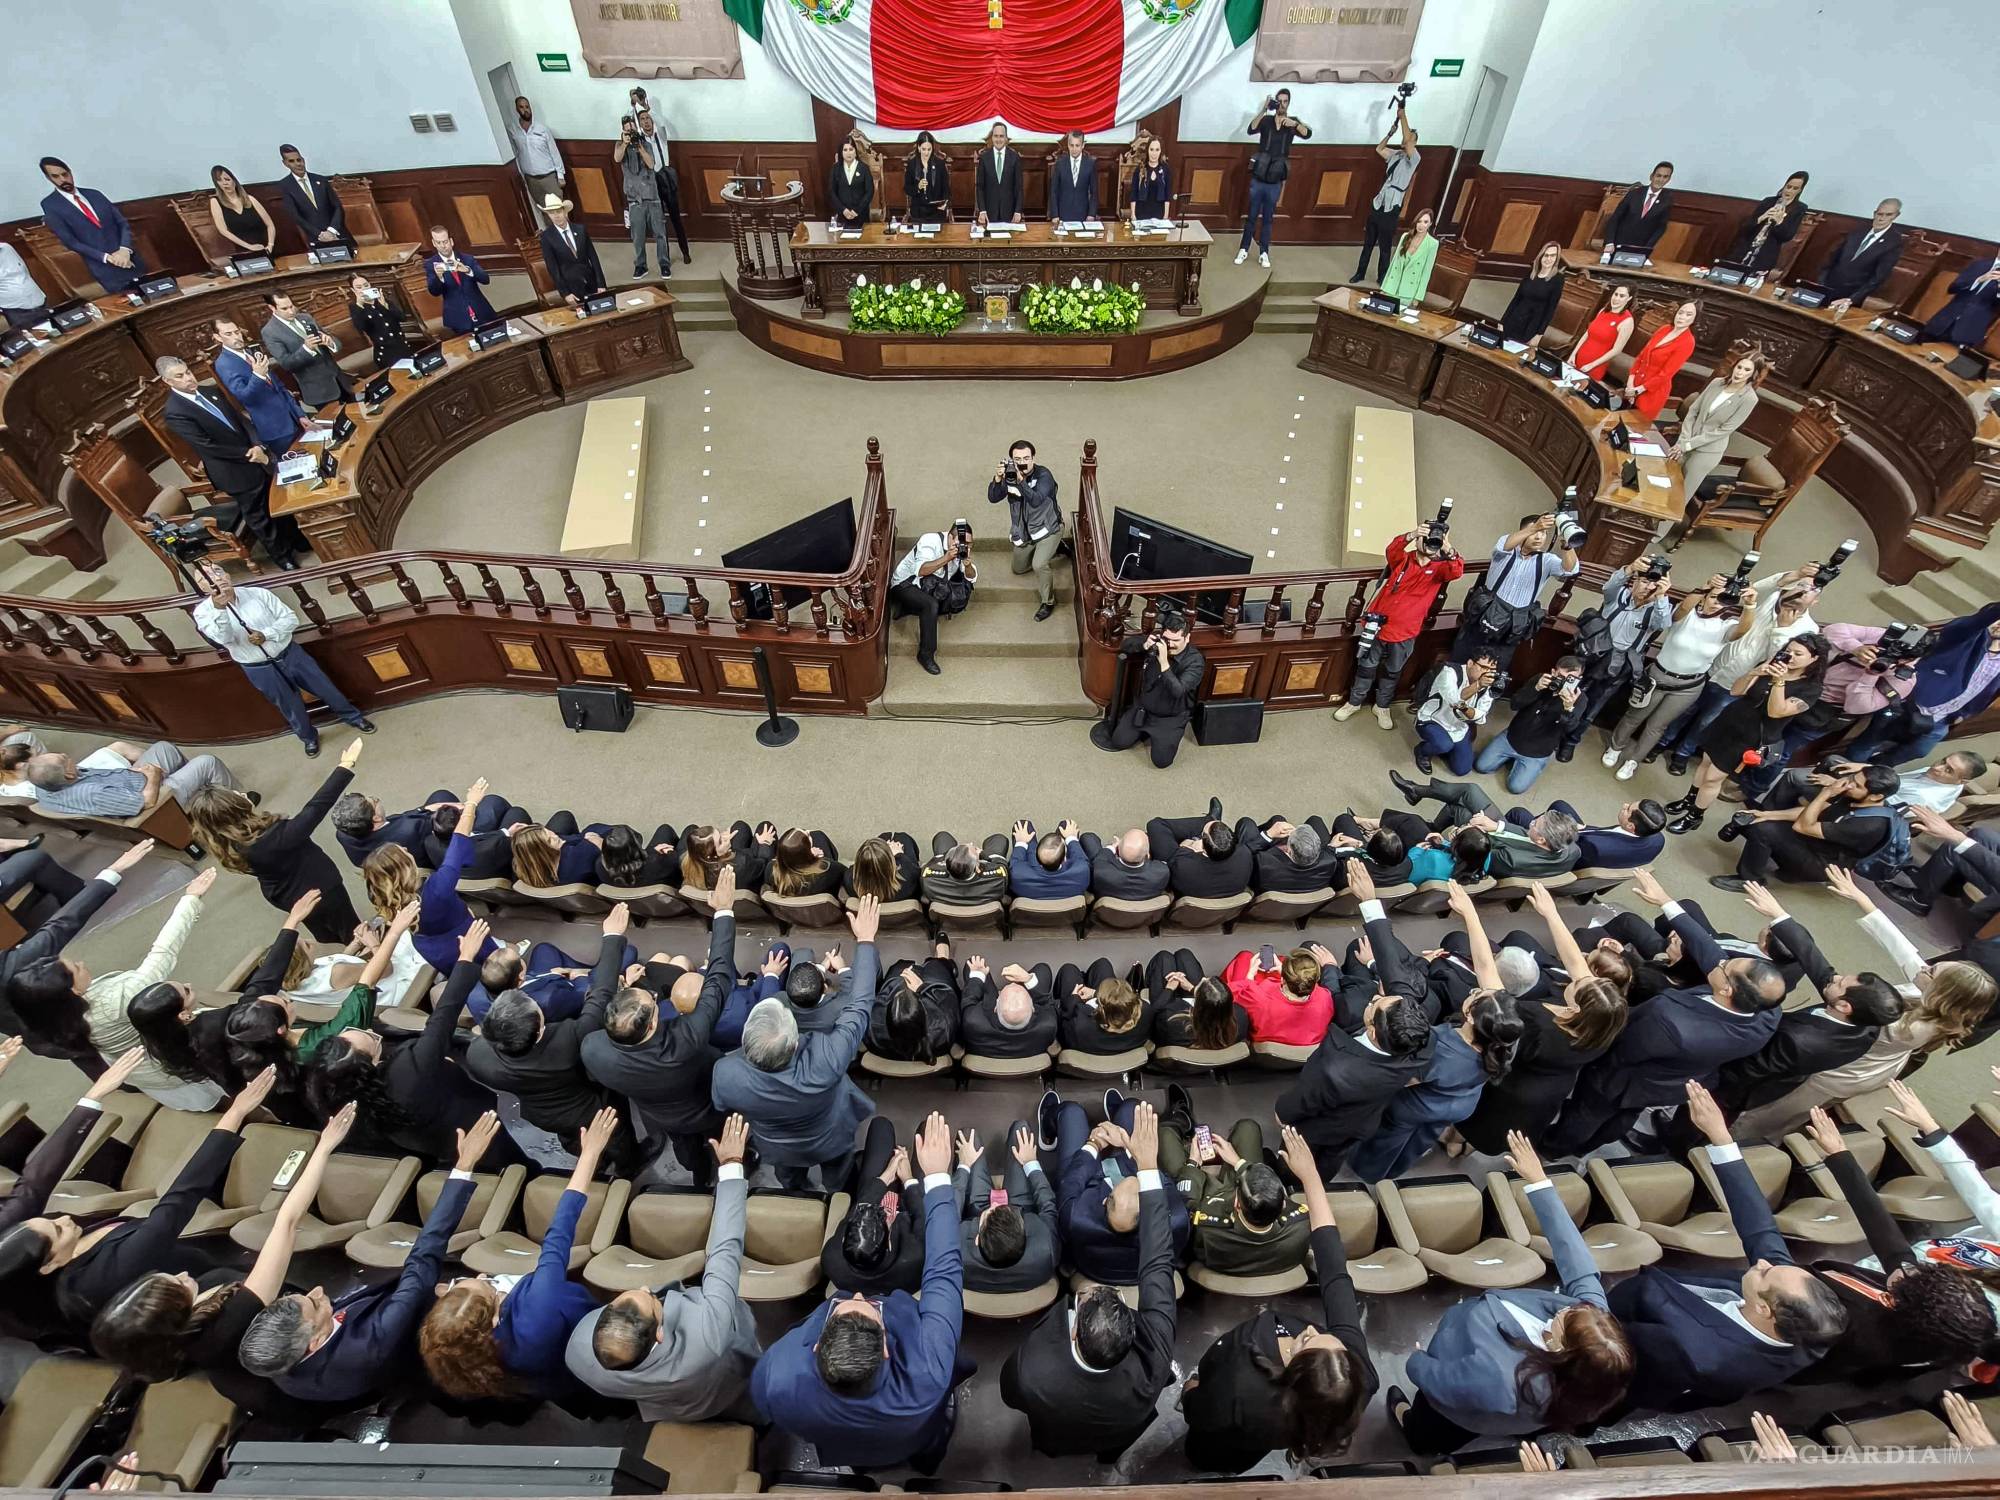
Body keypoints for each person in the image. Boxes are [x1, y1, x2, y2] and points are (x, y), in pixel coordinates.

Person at [88, 1102, 352, 1413]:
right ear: (174, 1318)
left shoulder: (166, 1339)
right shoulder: (228, 1325)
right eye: (180, 1286)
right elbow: (288, 1222)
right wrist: (324, 1148)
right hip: (280, 1391)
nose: (185, 1275)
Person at [1609, 1082, 1847, 1412]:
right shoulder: (1802, 1327)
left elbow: (1625, 1374)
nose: (1763, 1263)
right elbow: (1760, 1226)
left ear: (1766, 1311)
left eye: (1766, 1274)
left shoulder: (1697, 1356)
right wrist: (1721, 1139)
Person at [1390, 1130, 1631, 1451]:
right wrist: (1538, 1183)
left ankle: (1417, 1435)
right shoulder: (1591, 1342)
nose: (1569, 1305)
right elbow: (1575, 1255)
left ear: (1562, 1348)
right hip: (1510, 1411)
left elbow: (1441, 1383)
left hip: (1460, 1407)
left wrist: (1417, 1361)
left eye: (1567, 1316)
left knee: (1431, 1431)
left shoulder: (1500, 1378)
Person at [752, 1111, 965, 1473]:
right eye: (869, 1309)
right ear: (885, 1346)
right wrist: (939, 1179)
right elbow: (943, 1272)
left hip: (842, 1447)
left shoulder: (773, 1378)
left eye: (842, 1308)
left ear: (818, 1344)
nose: (858, 1296)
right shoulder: (929, 1372)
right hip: (911, 1435)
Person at [237, 1112, 500, 1405]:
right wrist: (463, 1167)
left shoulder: (281, 1365)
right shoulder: (373, 1340)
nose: (319, 1291)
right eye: (314, 1304)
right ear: (313, 1342)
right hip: (410, 1343)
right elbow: (423, 1258)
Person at [0, 1069, 276, 1347]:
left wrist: (93, 1097)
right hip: (189, 1281)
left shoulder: (29, 1251)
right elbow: (178, 1201)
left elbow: (35, 1182)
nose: (62, 1217)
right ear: (51, 1265)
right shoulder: (108, 1274)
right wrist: (236, 1113)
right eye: (58, 1230)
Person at [1545, 871, 1786, 1157]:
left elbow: (1620, 1042)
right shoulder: (1767, 1013)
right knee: (1623, 1116)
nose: (1720, 962)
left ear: (1727, 991)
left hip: (1620, 1077)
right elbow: (1711, 954)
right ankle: (1594, 1143)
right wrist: (1666, 902)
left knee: (1587, 1113)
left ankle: (1556, 1148)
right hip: (1669, 1083)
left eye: (1725, 967)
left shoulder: (1666, 1017)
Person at [1181, 1124, 1374, 1472]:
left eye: (1308, 1343)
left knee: (1206, 1454)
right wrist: (1310, 1177)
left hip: (1229, 1430)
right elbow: (1334, 1271)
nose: (1315, 1331)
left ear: (1292, 1375)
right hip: (1263, 1437)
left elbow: (1202, 1411)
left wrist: (1191, 1389)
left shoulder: (1242, 1393)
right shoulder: (1354, 1376)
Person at [1001, 1102, 1176, 1460]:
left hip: (1058, 1434)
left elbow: (1009, 1395)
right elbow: (1158, 1260)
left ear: (1075, 1332)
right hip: (1118, 1429)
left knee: (1073, 1117)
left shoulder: (1031, 1369)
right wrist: (1144, 1163)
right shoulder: (1153, 1364)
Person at [568, 1114, 760, 1421]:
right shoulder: (707, 1334)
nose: (646, 1288)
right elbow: (725, 1250)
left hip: (668, 1406)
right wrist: (733, 1166)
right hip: (717, 1392)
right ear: (659, 1334)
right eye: (653, 1302)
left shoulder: (578, 1352)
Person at [420, 1107, 619, 1402]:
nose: (484, 1275)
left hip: (560, 1382)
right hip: (592, 1340)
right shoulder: (542, 1296)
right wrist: (590, 1153)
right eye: (487, 1287)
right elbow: (560, 1231)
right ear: (494, 1320)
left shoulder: (466, 1355)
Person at [1796, 1107, 1999, 1384]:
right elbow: (1894, 1250)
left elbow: (1897, 1259)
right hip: (1892, 1294)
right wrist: (1839, 1156)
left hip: (1847, 1328)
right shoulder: (1913, 1285)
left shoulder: (1862, 1330)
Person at [303, 922, 509, 1167]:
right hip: (472, 1125)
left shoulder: (337, 1096)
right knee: (510, 1159)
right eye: (371, 1038)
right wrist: (466, 957)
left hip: (430, 1142)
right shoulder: (410, 1068)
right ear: (372, 1062)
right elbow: (443, 1017)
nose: (369, 1030)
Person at [713, 895, 881, 1190]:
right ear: (795, 1042)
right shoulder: (826, 1059)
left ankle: (794, 1191)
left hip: (776, 1147)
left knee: (788, 1177)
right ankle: (838, 1194)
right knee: (838, 1177)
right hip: (828, 1139)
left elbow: (722, 1104)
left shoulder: (725, 1073)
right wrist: (865, 940)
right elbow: (860, 1004)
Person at [1276, 867, 1435, 1178]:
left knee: (1301, 1154)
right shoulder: (1418, 1035)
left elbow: (1299, 1103)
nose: (1376, 997)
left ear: (1373, 1029)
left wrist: (1282, 1114)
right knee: (1335, 1155)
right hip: (1365, 1118)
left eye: (1376, 1004)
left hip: (1323, 1125)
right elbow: (1393, 970)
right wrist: (1370, 903)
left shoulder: (1337, 1066)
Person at [1453, 884, 1629, 1154]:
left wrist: (1470, 915)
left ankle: (1457, 1142)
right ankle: (1465, 1146)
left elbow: (1487, 972)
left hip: (1511, 1090)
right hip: (1548, 1092)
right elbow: (1575, 962)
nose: (1580, 974)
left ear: (1574, 1008)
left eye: (1582, 983)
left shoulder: (1536, 1023)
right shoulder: (1605, 1023)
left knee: (1480, 1124)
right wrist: (1551, 914)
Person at [582, 876, 734, 1185]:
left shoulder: (593, 1048)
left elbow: (599, 993)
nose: (654, 995)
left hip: (660, 1115)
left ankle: (698, 1173)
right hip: (708, 1109)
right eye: (653, 1001)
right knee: (720, 1139)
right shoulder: (686, 1040)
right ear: (652, 1022)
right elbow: (717, 979)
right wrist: (724, 911)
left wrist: (612, 938)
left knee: (686, 1148)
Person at [1711, 884, 1901, 1118]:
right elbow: (1817, 963)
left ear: (1844, 1007)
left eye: (1840, 984)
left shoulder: (1799, 1042)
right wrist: (1779, 915)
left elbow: (1745, 1070)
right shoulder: (1865, 1019)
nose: (1836, 977)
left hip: (1740, 1083)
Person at [465, 904, 636, 1163]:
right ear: (538, 1030)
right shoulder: (568, 1038)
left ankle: (589, 1158)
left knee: (570, 1139)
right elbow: (600, 997)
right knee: (619, 1138)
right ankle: (627, 1166)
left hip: (541, 1114)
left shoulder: (477, 1055)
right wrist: (612, 936)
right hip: (588, 1108)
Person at [186, 742, 364, 941]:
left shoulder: (225, 842)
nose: (240, 793)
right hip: (321, 891)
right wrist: (345, 766)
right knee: (353, 933)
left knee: (324, 933)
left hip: (285, 895)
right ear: (234, 810)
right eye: (235, 796)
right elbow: (314, 809)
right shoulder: (273, 837)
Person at [190, 560, 374, 753]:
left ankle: (353, 717)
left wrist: (266, 634)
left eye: (218, 571)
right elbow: (223, 638)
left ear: (228, 574)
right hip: (259, 668)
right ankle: (308, 737)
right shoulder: (203, 612)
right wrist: (220, 609)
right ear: (201, 586)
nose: (216, 578)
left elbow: (290, 618)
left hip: (291, 654)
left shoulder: (257, 593)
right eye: (207, 577)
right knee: (289, 706)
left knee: (326, 688)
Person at [0, 839, 152, 1064]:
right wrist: (113, 871)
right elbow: (61, 925)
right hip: (66, 1024)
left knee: (82, 1055)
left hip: (34, 1035)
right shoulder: (10, 965)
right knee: (97, 1043)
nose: (80, 963)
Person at [1660, 564, 1822, 772]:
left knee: (1707, 721)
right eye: (1800, 585)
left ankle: (1683, 753)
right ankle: (1663, 742)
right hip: (1713, 665)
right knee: (1684, 709)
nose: (1803, 590)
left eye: (1811, 590)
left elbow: (1779, 660)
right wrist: (1797, 574)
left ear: (1816, 601)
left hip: (1740, 680)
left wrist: (1780, 630)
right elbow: (1756, 588)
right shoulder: (1771, 597)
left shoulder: (1808, 629)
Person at [1664, 631, 1828, 835]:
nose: (1790, 657)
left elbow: (1776, 712)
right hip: (1730, 722)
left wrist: (1779, 681)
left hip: (1751, 736)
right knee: (1705, 762)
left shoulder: (1811, 688)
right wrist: (1755, 672)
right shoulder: (1770, 665)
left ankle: (1695, 815)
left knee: (1713, 778)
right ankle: (1689, 800)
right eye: (1788, 651)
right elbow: (1736, 691)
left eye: (1798, 654)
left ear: (1814, 659)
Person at [1604, 572, 1760, 778]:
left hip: (1688, 686)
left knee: (1657, 726)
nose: (1716, 603)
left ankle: (1634, 760)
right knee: (1634, 716)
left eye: (1722, 600)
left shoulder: (1725, 626)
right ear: (1704, 596)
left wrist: (1750, 605)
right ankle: (1615, 747)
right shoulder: (1686, 614)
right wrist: (1704, 587)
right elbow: (1682, 611)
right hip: (1658, 675)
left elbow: (1742, 631)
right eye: (1713, 597)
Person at [1047, 1089, 1192, 1284]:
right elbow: (1158, 1177)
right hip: (1137, 1271)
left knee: (1071, 1112)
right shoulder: (1176, 1220)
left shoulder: (1076, 1217)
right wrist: (1127, 1144)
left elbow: (1071, 1181)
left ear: (1106, 1199)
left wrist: (1094, 1143)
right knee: (1131, 1107)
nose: (1136, 1179)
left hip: (1093, 1267)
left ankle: (1049, 1125)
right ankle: (1117, 1117)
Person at [1336, 525, 1465, 728]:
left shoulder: (1441, 568)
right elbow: (1392, 550)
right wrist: (1411, 535)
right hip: (1377, 626)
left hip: (1406, 633)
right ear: (1419, 540)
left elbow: (1457, 571)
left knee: (1392, 672)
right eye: (1427, 538)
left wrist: (1448, 548)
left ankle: (1382, 706)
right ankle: (1354, 702)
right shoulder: (1404, 559)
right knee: (1366, 667)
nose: (1430, 543)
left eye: (1435, 540)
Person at [1846, 604, 2000, 765]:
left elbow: (1986, 690)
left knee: (1918, 751)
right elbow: (1974, 623)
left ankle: (1874, 771)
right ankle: (1844, 772)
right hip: (1908, 705)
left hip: (1943, 718)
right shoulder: (1968, 638)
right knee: (1868, 743)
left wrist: (1962, 714)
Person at [1713, 763, 1903, 890]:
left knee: (1764, 830)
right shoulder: (1859, 800)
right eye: (1852, 780)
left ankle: (1751, 879)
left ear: (1876, 796)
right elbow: (1819, 812)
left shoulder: (1869, 825)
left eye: (1857, 785)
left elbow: (1803, 826)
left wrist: (1827, 792)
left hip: (1823, 863)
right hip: (1817, 842)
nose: (1848, 785)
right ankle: (1787, 866)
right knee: (1757, 820)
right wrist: (1766, 814)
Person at [1563, 561, 1678, 762]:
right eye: (1644, 581)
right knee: (1568, 688)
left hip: (1618, 664)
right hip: (1592, 653)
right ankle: (1553, 728)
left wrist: (1661, 595)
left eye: (1653, 584)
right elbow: (1608, 587)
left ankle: (1571, 741)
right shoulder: (1618, 595)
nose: (1648, 587)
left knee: (1593, 706)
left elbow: (1664, 624)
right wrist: (1630, 568)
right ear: (1634, 582)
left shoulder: (1657, 609)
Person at [1173, 1113, 1308, 1275]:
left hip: (1206, 1198)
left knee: (1166, 1136)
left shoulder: (1207, 1229)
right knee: (1248, 1127)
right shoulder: (1300, 1224)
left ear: (1237, 1203)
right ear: (1283, 1204)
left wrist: (1193, 1163)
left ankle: (1177, 1123)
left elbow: (1186, 1206)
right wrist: (1238, 1162)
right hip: (1245, 1202)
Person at [1450, 513, 1578, 665]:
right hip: (1484, 618)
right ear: (1522, 532)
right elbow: (1504, 545)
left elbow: (1571, 570)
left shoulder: (1546, 560)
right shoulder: (1507, 549)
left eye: (1543, 533)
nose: (1539, 537)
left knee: (1494, 673)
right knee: (1458, 664)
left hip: (1511, 627)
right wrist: (1537, 526)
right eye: (1534, 532)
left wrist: (1567, 545)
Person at [24, 739, 241, 821]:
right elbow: (146, 803)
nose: (66, 755)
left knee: (164, 748)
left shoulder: (44, 784)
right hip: (159, 797)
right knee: (207, 761)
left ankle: (203, 792)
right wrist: (153, 776)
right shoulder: (92, 794)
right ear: (69, 775)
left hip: (131, 780)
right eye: (64, 759)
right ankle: (237, 803)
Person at [954, 1124, 1058, 1293]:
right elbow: (1048, 1205)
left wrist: (964, 1165)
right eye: (1000, 1207)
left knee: (968, 1137)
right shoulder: (1046, 1248)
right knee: (1021, 1129)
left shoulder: (956, 1254)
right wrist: (1031, 1163)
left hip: (976, 1209)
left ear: (976, 1239)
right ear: (1025, 1231)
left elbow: (948, 1211)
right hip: (1019, 1208)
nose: (996, 1203)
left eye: (993, 1209)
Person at [1473, 657, 1588, 794]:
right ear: (1553, 672)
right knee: (1481, 766)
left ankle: (1527, 766)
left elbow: (1570, 730)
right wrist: (1536, 688)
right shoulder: (1539, 679)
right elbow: (1514, 704)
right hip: (1512, 738)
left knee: (1515, 787)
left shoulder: (1580, 699)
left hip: (1537, 751)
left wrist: (1568, 708)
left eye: (1570, 680)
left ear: (1578, 680)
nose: (1563, 682)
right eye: (1560, 677)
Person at [1107, 610, 1205, 768]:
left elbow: (1177, 691)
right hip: (1143, 708)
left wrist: (1164, 663)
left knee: (1161, 761)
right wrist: (1144, 644)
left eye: (1176, 640)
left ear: (1187, 638)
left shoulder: (1195, 662)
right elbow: (1125, 646)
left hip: (1170, 717)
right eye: (1167, 639)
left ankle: (1160, 736)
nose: (1170, 644)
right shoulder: (1158, 644)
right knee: (1118, 741)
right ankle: (1141, 731)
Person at [37, 157, 146, 291]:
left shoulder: (95, 194)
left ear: (70, 172)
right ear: (49, 178)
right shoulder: (51, 204)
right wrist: (108, 258)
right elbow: (71, 241)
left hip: (130, 259)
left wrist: (124, 250)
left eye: (65, 174)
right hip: (104, 268)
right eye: (56, 176)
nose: (63, 180)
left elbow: (122, 223)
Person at [1672, 347, 1766, 495]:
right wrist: (1683, 440)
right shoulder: (1717, 383)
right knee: (1666, 481)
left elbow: (1724, 430)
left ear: (1753, 374)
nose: (1740, 372)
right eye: (1739, 367)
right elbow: (1693, 410)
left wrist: (1688, 444)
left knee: (1682, 494)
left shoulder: (1749, 399)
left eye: (1746, 370)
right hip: (1686, 440)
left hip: (1706, 451)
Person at [988, 440, 1063, 621]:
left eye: (1026, 458)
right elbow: (993, 498)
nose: (1022, 462)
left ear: (1033, 458)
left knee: (1039, 564)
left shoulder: (1044, 475)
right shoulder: (1009, 475)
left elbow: (1036, 500)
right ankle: (1052, 550)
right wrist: (997, 480)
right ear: (1012, 460)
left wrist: (1021, 482)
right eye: (1017, 459)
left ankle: (1048, 602)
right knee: (1018, 568)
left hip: (1048, 529)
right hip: (1024, 533)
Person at [888, 521, 976, 676]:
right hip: (906, 584)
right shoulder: (929, 540)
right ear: (950, 538)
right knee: (931, 605)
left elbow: (971, 577)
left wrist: (967, 565)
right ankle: (926, 654)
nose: (964, 547)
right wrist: (947, 557)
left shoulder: (962, 550)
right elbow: (921, 570)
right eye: (960, 543)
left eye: (968, 544)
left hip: (930, 585)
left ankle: (908, 607)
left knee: (950, 599)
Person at [211, 315, 307, 454]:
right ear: (218, 337)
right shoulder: (224, 364)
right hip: (275, 429)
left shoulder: (251, 351)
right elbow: (245, 397)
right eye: (228, 334)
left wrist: (299, 414)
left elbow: (279, 386)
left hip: (293, 418)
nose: (236, 337)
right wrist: (258, 375)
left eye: (237, 332)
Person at [1240, 90, 1312, 269]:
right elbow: (1251, 129)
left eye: (1285, 101)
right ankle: (1244, 248)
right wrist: (1264, 109)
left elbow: (1308, 133)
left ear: (1289, 103)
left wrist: (1295, 124)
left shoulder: (1292, 122)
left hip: (1276, 179)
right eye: (1278, 101)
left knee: (1268, 218)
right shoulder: (1266, 120)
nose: (1281, 104)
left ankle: (1264, 252)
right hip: (1259, 175)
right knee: (1251, 216)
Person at [1349, 97, 1417, 282]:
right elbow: (1379, 149)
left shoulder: (1414, 159)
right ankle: (1360, 273)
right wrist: (1390, 133)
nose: (1406, 140)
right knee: (1368, 243)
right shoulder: (1395, 155)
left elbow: (1408, 141)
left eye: (1410, 138)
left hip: (1392, 205)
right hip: (1380, 202)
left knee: (1385, 246)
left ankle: (1382, 277)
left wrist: (1403, 116)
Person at [1222, 942, 1332, 1046]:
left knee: (1244, 957)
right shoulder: (1325, 997)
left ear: (1283, 980)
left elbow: (1228, 995)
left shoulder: (1259, 1000)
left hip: (1263, 1048)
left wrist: (1250, 976)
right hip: (1306, 1052)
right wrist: (1282, 970)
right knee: (1282, 960)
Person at [261, 291, 353, 412]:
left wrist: (330, 342)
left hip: (340, 382)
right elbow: (287, 364)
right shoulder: (270, 332)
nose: (291, 311)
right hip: (320, 392)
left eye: (291, 306)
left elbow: (336, 343)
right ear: (272, 308)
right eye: (284, 308)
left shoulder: (305, 317)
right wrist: (306, 349)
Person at [1407, 653, 1497, 775]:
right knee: (1443, 745)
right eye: (1484, 668)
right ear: (1470, 663)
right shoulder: (1450, 672)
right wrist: (1477, 686)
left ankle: (1445, 746)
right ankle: (1422, 751)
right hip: (1432, 720)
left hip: (1458, 727)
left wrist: (1469, 710)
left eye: (1492, 670)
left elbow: (1480, 718)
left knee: (1462, 769)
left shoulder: (1489, 686)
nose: (1487, 674)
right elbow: (1454, 700)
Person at [1147, 799, 1253, 898]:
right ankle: (1211, 820)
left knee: (1156, 825)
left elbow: (1178, 852)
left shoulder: (1183, 865)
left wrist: (1190, 845)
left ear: (1203, 848)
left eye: (1202, 834)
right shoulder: (1244, 854)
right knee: (1245, 822)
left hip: (1188, 888)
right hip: (1225, 898)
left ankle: (1210, 819)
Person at [957, 956, 1057, 1059]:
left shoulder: (973, 1021)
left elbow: (969, 998)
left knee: (972, 963)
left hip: (988, 1030)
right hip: (1029, 1044)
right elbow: (1046, 1002)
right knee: (1043, 969)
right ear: (1033, 1007)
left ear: (995, 1005)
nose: (1013, 983)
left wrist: (978, 975)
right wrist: (1027, 979)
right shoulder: (1047, 1025)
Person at [1819, 198, 1905, 315]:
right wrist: (1822, 283)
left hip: (1851, 296)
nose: (1882, 218)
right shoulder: (1858, 230)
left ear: (1896, 216)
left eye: (1888, 215)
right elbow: (1832, 259)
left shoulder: (1894, 242)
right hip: (1828, 287)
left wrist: (1852, 299)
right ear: (1875, 213)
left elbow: (1878, 277)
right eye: (1879, 214)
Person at [1622, 298, 1699, 423]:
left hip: (1651, 393)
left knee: (1633, 428)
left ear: (1694, 319)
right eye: (1681, 312)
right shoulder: (1664, 329)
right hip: (1633, 385)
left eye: (1688, 314)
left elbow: (1666, 374)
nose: (1682, 317)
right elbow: (1641, 356)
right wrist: (1631, 382)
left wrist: (1638, 390)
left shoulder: (1688, 342)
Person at [632, 108, 692, 266]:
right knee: (659, 221)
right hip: (652, 181)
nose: (646, 121)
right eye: (642, 119)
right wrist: (634, 108)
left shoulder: (661, 135)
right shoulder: (640, 141)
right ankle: (664, 259)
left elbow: (661, 122)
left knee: (676, 218)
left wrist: (645, 105)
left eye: (648, 118)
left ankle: (685, 252)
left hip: (667, 179)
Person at [1055, 959, 1149, 1056]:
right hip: (1125, 1048)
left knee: (1069, 970)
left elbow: (1066, 1023)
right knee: (1103, 964)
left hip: (1084, 1049)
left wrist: (1074, 998)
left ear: (1102, 1008)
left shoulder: (1079, 1023)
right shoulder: (1146, 1012)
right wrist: (1095, 993)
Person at [1724, 171, 1810, 272]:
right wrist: (1762, 218)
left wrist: (1779, 222)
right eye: (1788, 186)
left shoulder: (1799, 208)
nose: (1789, 191)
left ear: (1800, 190)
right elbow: (1745, 228)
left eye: (1795, 188)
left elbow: (1787, 236)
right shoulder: (1768, 201)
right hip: (1745, 249)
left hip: (1765, 255)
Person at [1233, 814, 1338, 893]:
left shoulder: (1263, 863)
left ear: (1288, 849)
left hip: (1267, 883)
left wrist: (1268, 835)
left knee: (1246, 823)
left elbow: (1244, 853)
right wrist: (1331, 847)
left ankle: (1262, 832)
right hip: (1300, 886)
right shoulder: (1330, 861)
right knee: (1280, 819)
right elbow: (1328, 854)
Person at [424, 225, 496, 333]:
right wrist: (439, 277)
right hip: (458, 318)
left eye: (445, 242)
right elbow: (434, 292)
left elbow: (485, 279)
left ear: (451, 241)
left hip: (482, 313)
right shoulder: (431, 264)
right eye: (439, 243)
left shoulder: (467, 259)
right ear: (434, 243)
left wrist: (468, 270)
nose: (443, 246)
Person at [277, 145, 350, 248]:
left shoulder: (321, 180)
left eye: (299, 160)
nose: (298, 164)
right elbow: (296, 216)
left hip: (337, 233)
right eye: (292, 161)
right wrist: (320, 234)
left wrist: (331, 231)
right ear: (285, 163)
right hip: (316, 238)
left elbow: (337, 207)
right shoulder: (285, 185)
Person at [509, 96, 566, 227]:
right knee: (544, 210)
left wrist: (560, 175)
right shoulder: (513, 130)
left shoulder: (542, 129)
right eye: (521, 107)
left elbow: (554, 152)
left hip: (549, 176)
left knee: (558, 209)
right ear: (517, 110)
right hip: (531, 179)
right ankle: (554, 238)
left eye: (527, 107)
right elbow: (516, 154)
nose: (525, 110)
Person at [1598, 162, 1675, 256]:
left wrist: (1647, 248)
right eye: (1658, 176)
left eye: (1665, 177)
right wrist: (1610, 242)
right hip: (1617, 244)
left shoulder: (1667, 200)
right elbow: (1615, 218)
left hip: (1640, 247)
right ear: (1651, 176)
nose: (1661, 180)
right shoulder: (1634, 194)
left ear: (1669, 179)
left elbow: (1661, 227)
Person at [346, 271, 416, 369]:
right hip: (386, 353)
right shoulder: (356, 307)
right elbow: (361, 327)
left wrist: (385, 306)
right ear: (353, 290)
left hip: (403, 347)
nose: (364, 289)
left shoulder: (382, 300)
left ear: (370, 285)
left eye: (366, 285)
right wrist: (360, 305)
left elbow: (402, 318)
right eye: (359, 287)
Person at [1502, 242, 1566, 347]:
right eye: (1546, 255)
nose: (1549, 259)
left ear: (1556, 258)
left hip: (1532, 326)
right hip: (1514, 319)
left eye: (1553, 256)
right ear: (1541, 256)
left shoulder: (1558, 279)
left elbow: (1550, 310)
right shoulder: (1531, 272)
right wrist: (1502, 322)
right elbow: (1516, 299)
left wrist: (1539, 335)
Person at [1570, 283, 1636, 383]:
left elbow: (1617, 350)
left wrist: (1592, 365)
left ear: (1629, 298)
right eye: (1616, 294)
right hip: (1577, 360)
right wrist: (1573, 354)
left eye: (1622, 296)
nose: (1616, 298)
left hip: (1594, 367)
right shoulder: (1603, 311)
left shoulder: (1627, 321)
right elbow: (1587, 334)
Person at [1007, 818, 1087, 899]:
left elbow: (1016, 862)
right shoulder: (1081, 872)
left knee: (1023, 824)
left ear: (1036, 858)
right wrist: (1071, 838)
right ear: (1064, 860)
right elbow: (1079, 857)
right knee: (1066, 825)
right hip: (1067, 890)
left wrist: (1021, 842)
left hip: (1031, 886)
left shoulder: (1017, 876)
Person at [921, 832, 1009, 906]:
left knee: (942, 837)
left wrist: (951, 855)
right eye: (974, 849)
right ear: (978, 868)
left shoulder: (929, 879)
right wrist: (983, 854)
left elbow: (931, 864)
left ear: (946, 865)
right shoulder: (998, 878)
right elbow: (1002, 864)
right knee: (999, 839)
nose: (970, 843)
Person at [1080, 828, 1168, 899]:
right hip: (1145, 912)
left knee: (1088, 838)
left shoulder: (1101, 871)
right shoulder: (1162, 871)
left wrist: (1111, 848)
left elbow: (1100, 859)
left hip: (1107, 893)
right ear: (1147, 856)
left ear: (1117, 852)